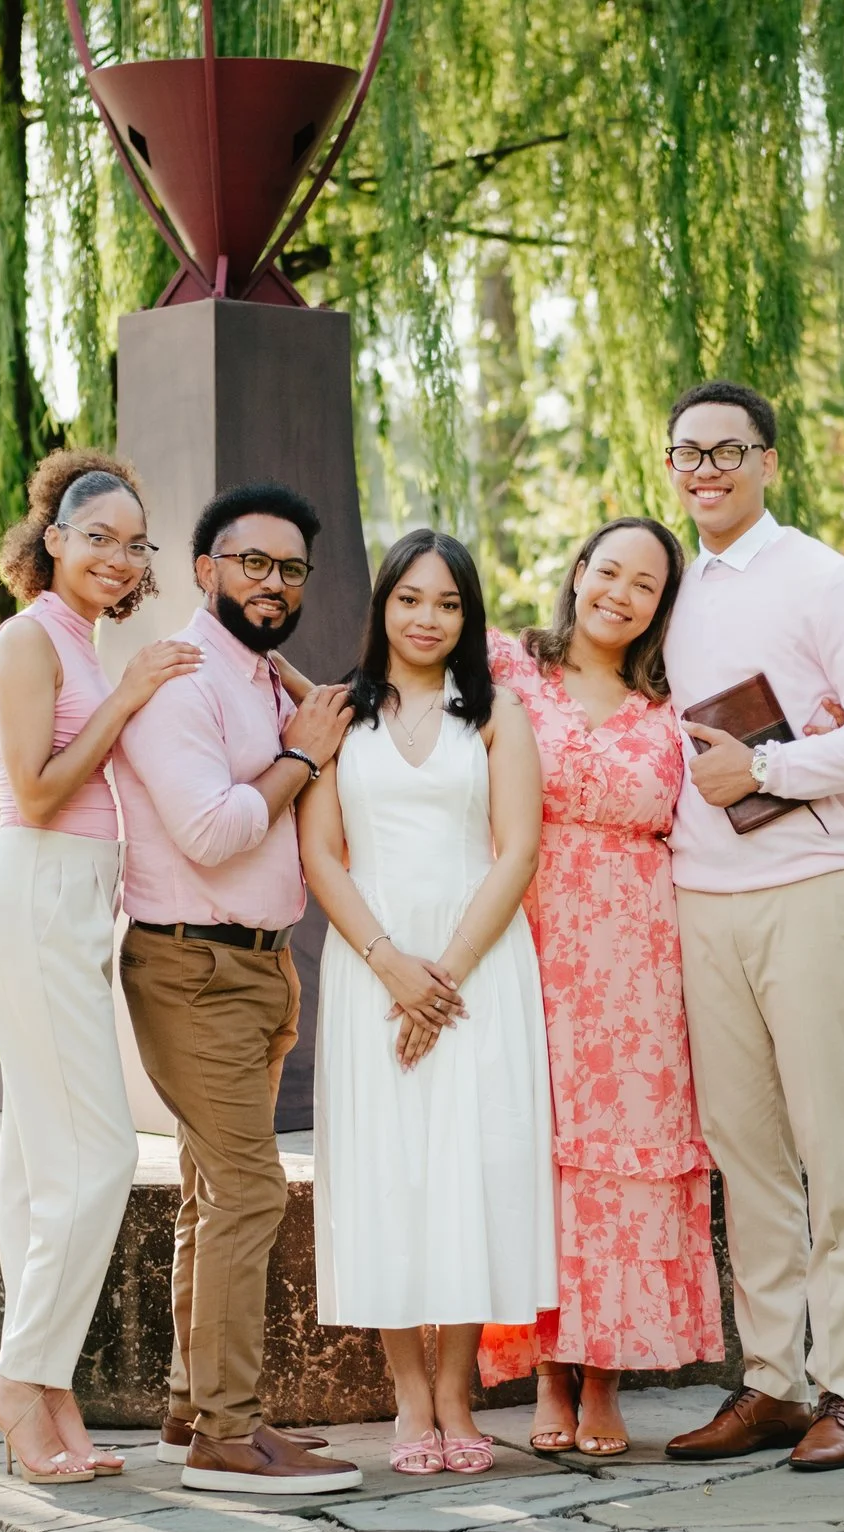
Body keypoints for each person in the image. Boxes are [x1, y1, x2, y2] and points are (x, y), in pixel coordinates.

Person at [657, 381, 844, 1472]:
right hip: (700, 902)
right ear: (668, 467)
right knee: (747, 1157)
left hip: (812, 892)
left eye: (728, 449)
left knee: (833, 1147)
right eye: (687, 452)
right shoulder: (666, 591)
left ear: (767, 462)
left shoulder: (824, 578)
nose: (706, 468)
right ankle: (768, 1380)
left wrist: (769, 764)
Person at [112, 481, 363, 1496]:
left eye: (290, 568)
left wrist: (299, 712)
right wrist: (305, 754)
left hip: (257, 963)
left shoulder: (255, 676)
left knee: (213, 1189)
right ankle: (228, 1429)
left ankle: (189, 1405)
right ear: (205, 569)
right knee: (252, 1186)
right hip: (192, 964)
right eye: (251, 563)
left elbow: (301, 718)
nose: (272, 582)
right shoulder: (182, 682)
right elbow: (213, 831)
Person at [0, 450, 202, 1483]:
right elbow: (38, 783)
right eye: (96, 535)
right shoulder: (30, 639)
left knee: (37, 1163)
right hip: (34, 889)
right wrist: (134, 691)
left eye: (133, 542)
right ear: (51, 540)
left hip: (71, 904)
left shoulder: (86, 643)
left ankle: (47, 1395)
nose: (116, 555)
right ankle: (17, 1380)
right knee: (99, 1154)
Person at [301, 529, 554, 1478]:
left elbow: (517, 850)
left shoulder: (496, 716)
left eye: (447, 603)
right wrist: (390, 964)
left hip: (479, 965)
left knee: (467, 1169)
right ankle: (409, 1393)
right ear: (382, 606)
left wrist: (439, 974)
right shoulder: (341, 716)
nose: (427, 618)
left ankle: (460, 1389)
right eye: (410, 598)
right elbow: (322, 852)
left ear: (468, 615)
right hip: (372, 963)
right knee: (390, 1173)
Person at [473, 518, 724, 1458]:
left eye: (645, 584)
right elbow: (394, 688)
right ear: (577, 573)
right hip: (529, 938)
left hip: (639, 960)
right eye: (607, 570)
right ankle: (547, 1368)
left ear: (662, 606)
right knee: (540, 1150)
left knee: (622, 1159)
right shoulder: (509, 668)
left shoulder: (672, 706)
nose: (620, 592)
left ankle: (607, 1374)